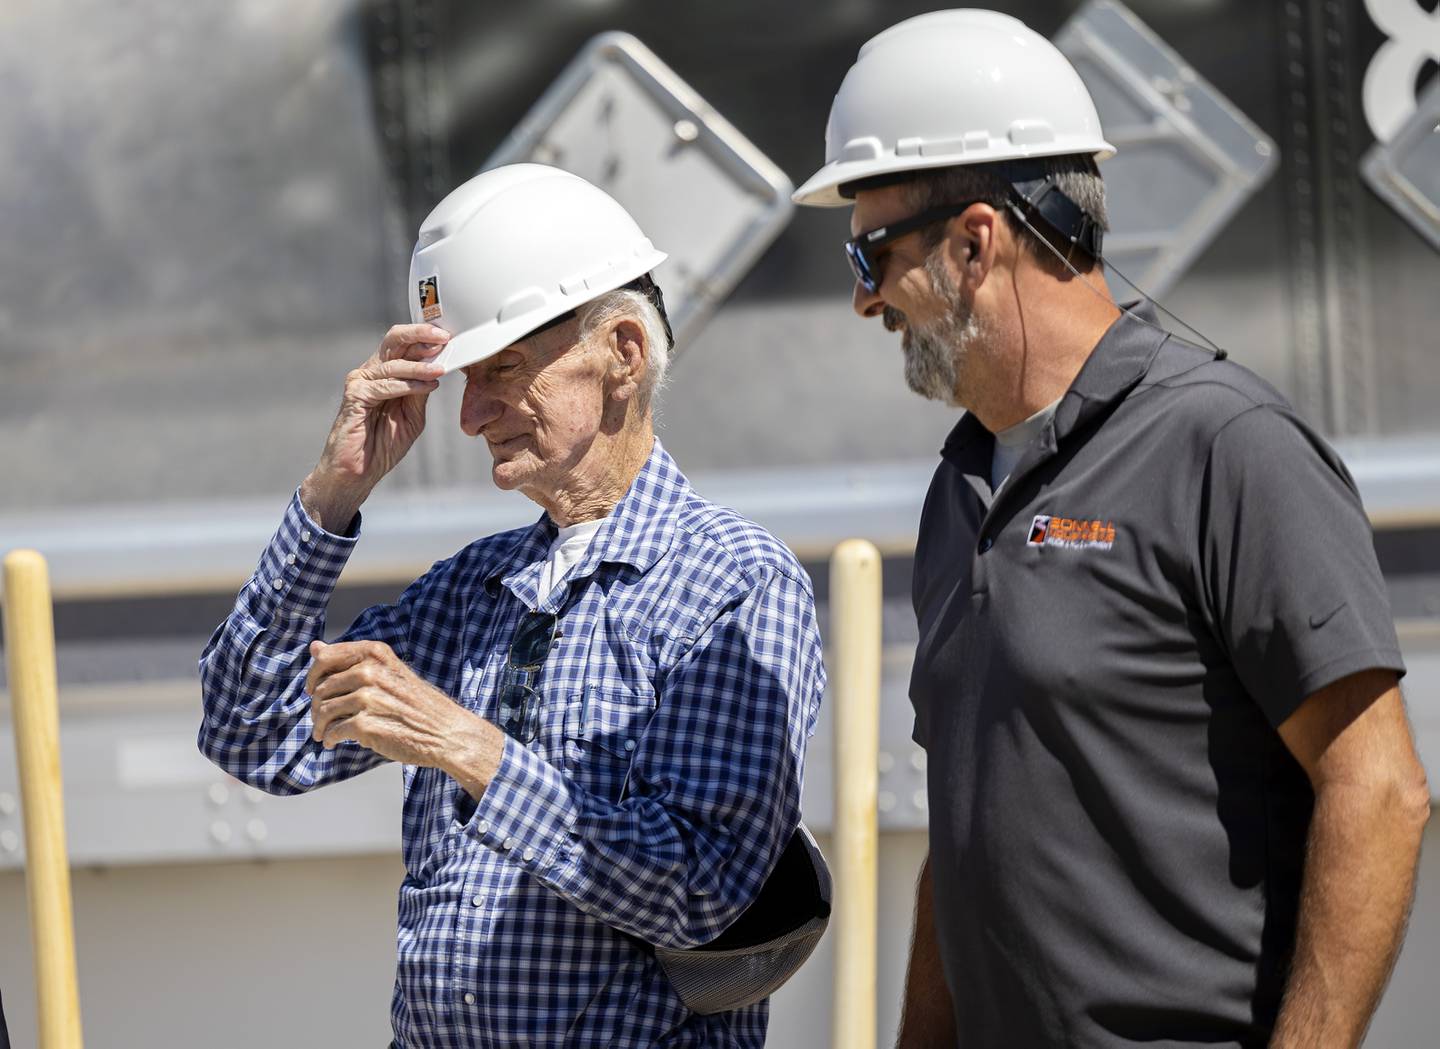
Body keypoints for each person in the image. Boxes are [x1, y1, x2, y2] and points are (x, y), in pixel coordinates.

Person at [793, 10, 1429, 1048]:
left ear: (974, 241)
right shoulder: (961, 487)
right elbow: (967, 842)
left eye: (871, 256)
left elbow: (1380, 788)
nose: (866, 303)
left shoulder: (1226, 446)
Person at [198, 164, 826, 1048]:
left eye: (502, 369)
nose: (469, 415)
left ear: (623, 353)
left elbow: (704, 889)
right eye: (462, 378)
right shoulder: (469, 590)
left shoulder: (735, 581)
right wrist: (332, 495)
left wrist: (467, 747)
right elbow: (249, 733)